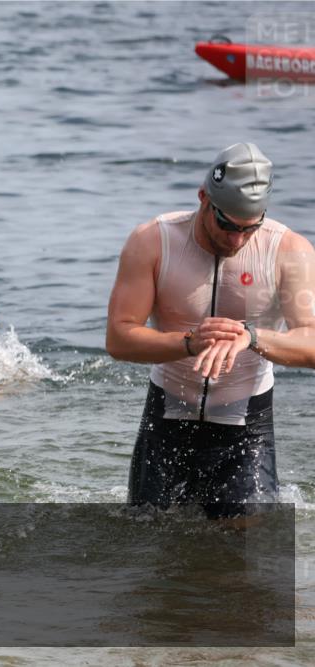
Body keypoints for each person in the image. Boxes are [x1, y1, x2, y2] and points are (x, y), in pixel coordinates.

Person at [106, 142, 315, 519]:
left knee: (247, 542)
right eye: (227, 225)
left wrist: (252, 337)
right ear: (204, 198)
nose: (237, 240)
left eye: (250, 228)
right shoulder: (153, 241)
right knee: (146, 538)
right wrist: (188, 343)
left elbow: (311, 343)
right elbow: (119, 338)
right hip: (166, 420)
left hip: (246, 428)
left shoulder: (289, 251)